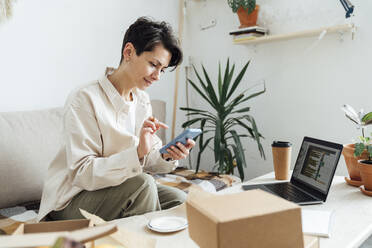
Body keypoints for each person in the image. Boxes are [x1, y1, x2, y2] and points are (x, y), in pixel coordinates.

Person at [37, 16, 195, 221]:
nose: (157, 76)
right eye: (153, 65)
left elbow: (146, 160)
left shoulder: (142, 100)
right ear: (128, 52)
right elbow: (82, 173)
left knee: (180, 200)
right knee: (144, 185)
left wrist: (167, 155)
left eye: (162, 70)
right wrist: (136, 153)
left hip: (118, 189)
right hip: (70, 200)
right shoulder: (85, 98)